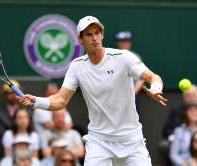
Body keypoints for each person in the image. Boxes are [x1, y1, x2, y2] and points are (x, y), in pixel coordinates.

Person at [18, 16, 167, 165]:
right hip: (99, 142)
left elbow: (154, 77)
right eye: (89, 35)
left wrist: (156, 88)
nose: (94, 38)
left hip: (131, 140)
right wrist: (36, 101)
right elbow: (60, 100)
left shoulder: (123, 58)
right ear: (80, 39)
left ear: (102, 35)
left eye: (97, 33)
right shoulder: (77, 66)